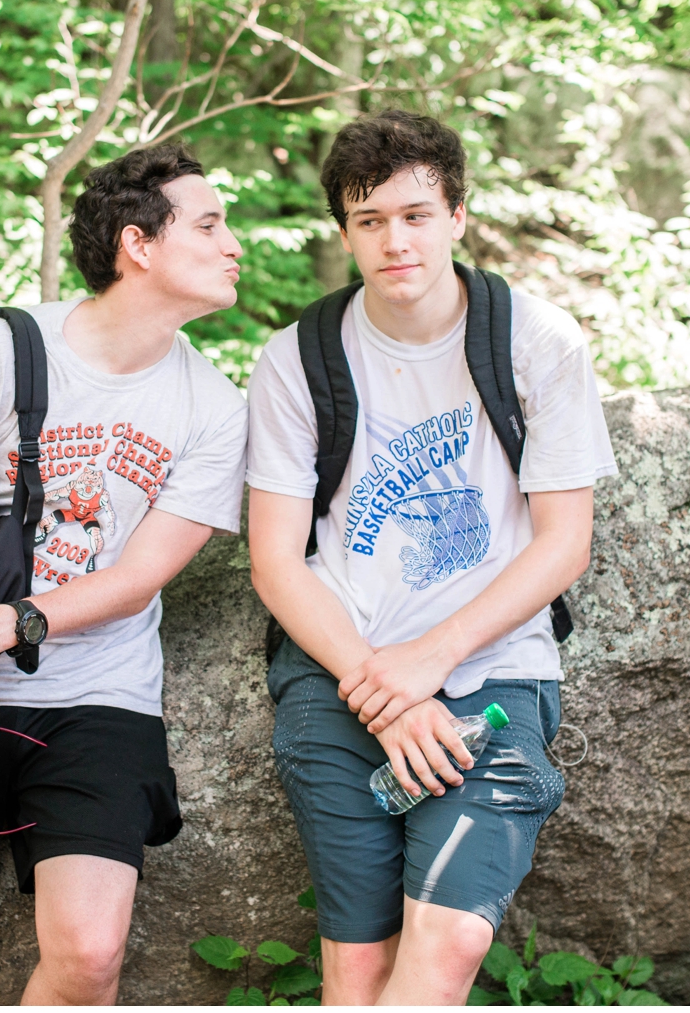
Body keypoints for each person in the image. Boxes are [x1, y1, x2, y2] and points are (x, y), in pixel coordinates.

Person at [0, 143, 248, 1005]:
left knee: (90, 954)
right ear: (139, 244)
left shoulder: (214, 407)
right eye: (209, 225)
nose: (232, 243)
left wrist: (1, 627)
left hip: (100, 700)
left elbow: (139, 577)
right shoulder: (0, 349)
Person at [245, 111, 618, 1005]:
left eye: (415, 214)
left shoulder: (536, 340)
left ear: (457, 215)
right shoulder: (297, 360)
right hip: (340, 674)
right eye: (369, 220)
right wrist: (384, 685)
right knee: (359, 967)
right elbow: (275, 563)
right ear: (345, 232)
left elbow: (565, 541)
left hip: (491, 672)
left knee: (445, 946)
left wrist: (431, 661)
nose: (393, 239)